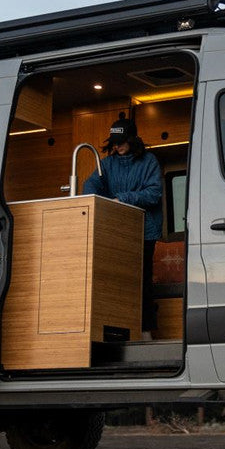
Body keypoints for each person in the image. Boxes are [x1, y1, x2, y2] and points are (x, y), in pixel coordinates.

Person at [82, 114, 163, 339]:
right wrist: (91, 199)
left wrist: (123, 199)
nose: (117, 147)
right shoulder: (107, 164)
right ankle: (119, 331)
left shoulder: (149, 161)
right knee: (116, 280)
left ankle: (145, 332)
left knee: (142, 281)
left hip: (144, 232)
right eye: (114, 143)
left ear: (132, 140)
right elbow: (91, 184)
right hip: (115, 232)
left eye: (121, 142)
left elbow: (154, 193)